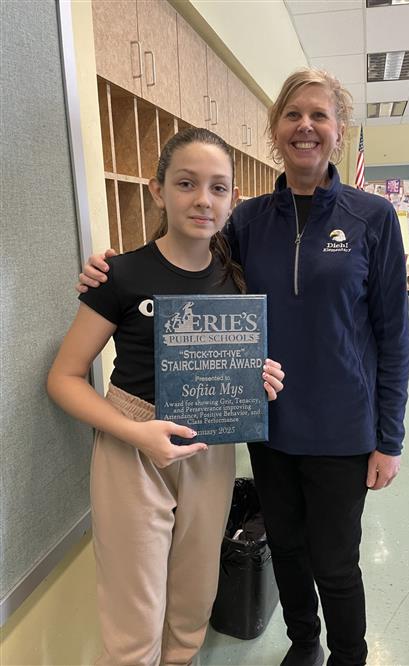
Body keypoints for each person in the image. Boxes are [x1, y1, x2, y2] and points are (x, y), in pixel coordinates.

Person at [78, 69, 409, 666]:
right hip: (264, 422)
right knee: (285, 546)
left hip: (343, 427)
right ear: (275, 128)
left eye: (319, 115)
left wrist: (390, 439)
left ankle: (349, 655)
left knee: (335, 559)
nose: (305, 126)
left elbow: (393, 336)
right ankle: (304, 644)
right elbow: (184, 253)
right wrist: (108, 265)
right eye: (292, 115)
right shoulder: (247, 219)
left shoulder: (373, 219)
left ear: (338, 130)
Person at [48, 127, 284, 666]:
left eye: (218, 188)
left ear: (232, 200)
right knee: (134, 626)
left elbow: (237, 367)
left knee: (191, 609)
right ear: (158, 191)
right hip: (132, 442)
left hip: (209, 445)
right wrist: (134, 432)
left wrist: (259, 380)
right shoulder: (120, 274)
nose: (203, 199)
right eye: (186, 183)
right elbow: (63, 377)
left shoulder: (236, 281)